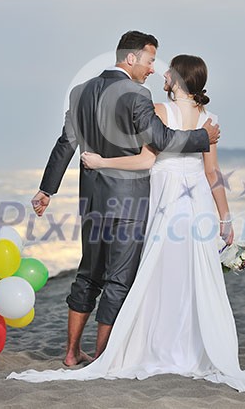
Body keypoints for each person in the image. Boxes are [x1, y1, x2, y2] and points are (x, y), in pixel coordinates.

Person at [8, 54, 245, 393]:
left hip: (164, 203)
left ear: (177, 80)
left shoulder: (162, 111)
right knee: (189, 276)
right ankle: (186, 347)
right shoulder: (210, 119)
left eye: (166, 70)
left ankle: (136, 346)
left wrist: (101, 160)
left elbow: (148, 157)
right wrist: (225, 217)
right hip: (196, 206)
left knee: (152, 273)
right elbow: (213, 174)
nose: (159, 71)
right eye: (154, 61)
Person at [30, 32, 220, 367]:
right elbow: (161, 138)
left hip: (91, 199)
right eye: (149, 61)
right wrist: (201, 136)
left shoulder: (79, 92)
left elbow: (66, 143)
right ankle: (103, 356)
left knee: (88, 273)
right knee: (119, 277)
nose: (151, 69)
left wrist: (47, 189)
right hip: (128, 200)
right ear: (131, 58)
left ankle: (72, 352)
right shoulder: (136, 94)